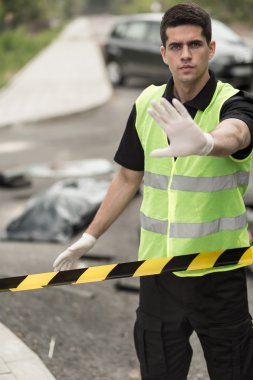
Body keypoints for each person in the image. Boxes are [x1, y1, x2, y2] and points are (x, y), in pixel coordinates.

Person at [53, 3, 253, 379]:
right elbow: (128, 177)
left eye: (195, 44)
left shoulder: (232, 102)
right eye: (176, 46)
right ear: (163, 53)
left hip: (218, 274)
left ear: (212, 49)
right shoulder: (147, 104)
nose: (186, 54)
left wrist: (207, 142)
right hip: (158, 273)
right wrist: (90, 236)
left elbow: (238, 133)